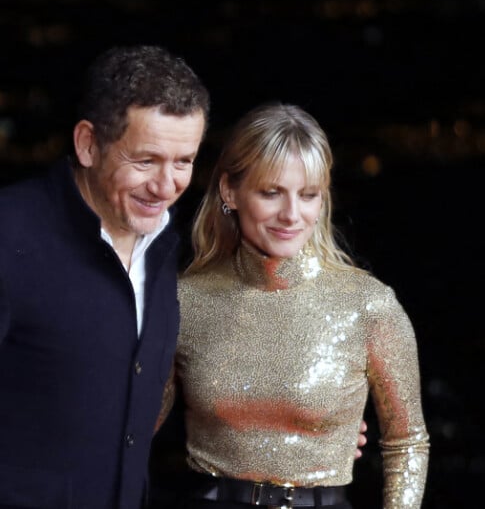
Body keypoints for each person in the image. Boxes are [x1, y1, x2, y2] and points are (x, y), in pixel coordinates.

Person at [162, 103, 429, 509]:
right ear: (230, 192)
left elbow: (407, 442)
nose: (291, 215)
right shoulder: (184, 300)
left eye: (308, 195)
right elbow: (128, 430)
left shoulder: (368, 305)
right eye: (271, 193)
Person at [0, 45, 209, 509]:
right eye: (145, 160)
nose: (165, 185)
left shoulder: (171, 247)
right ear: (87, 144)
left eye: (183, 161)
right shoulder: (8, 236)